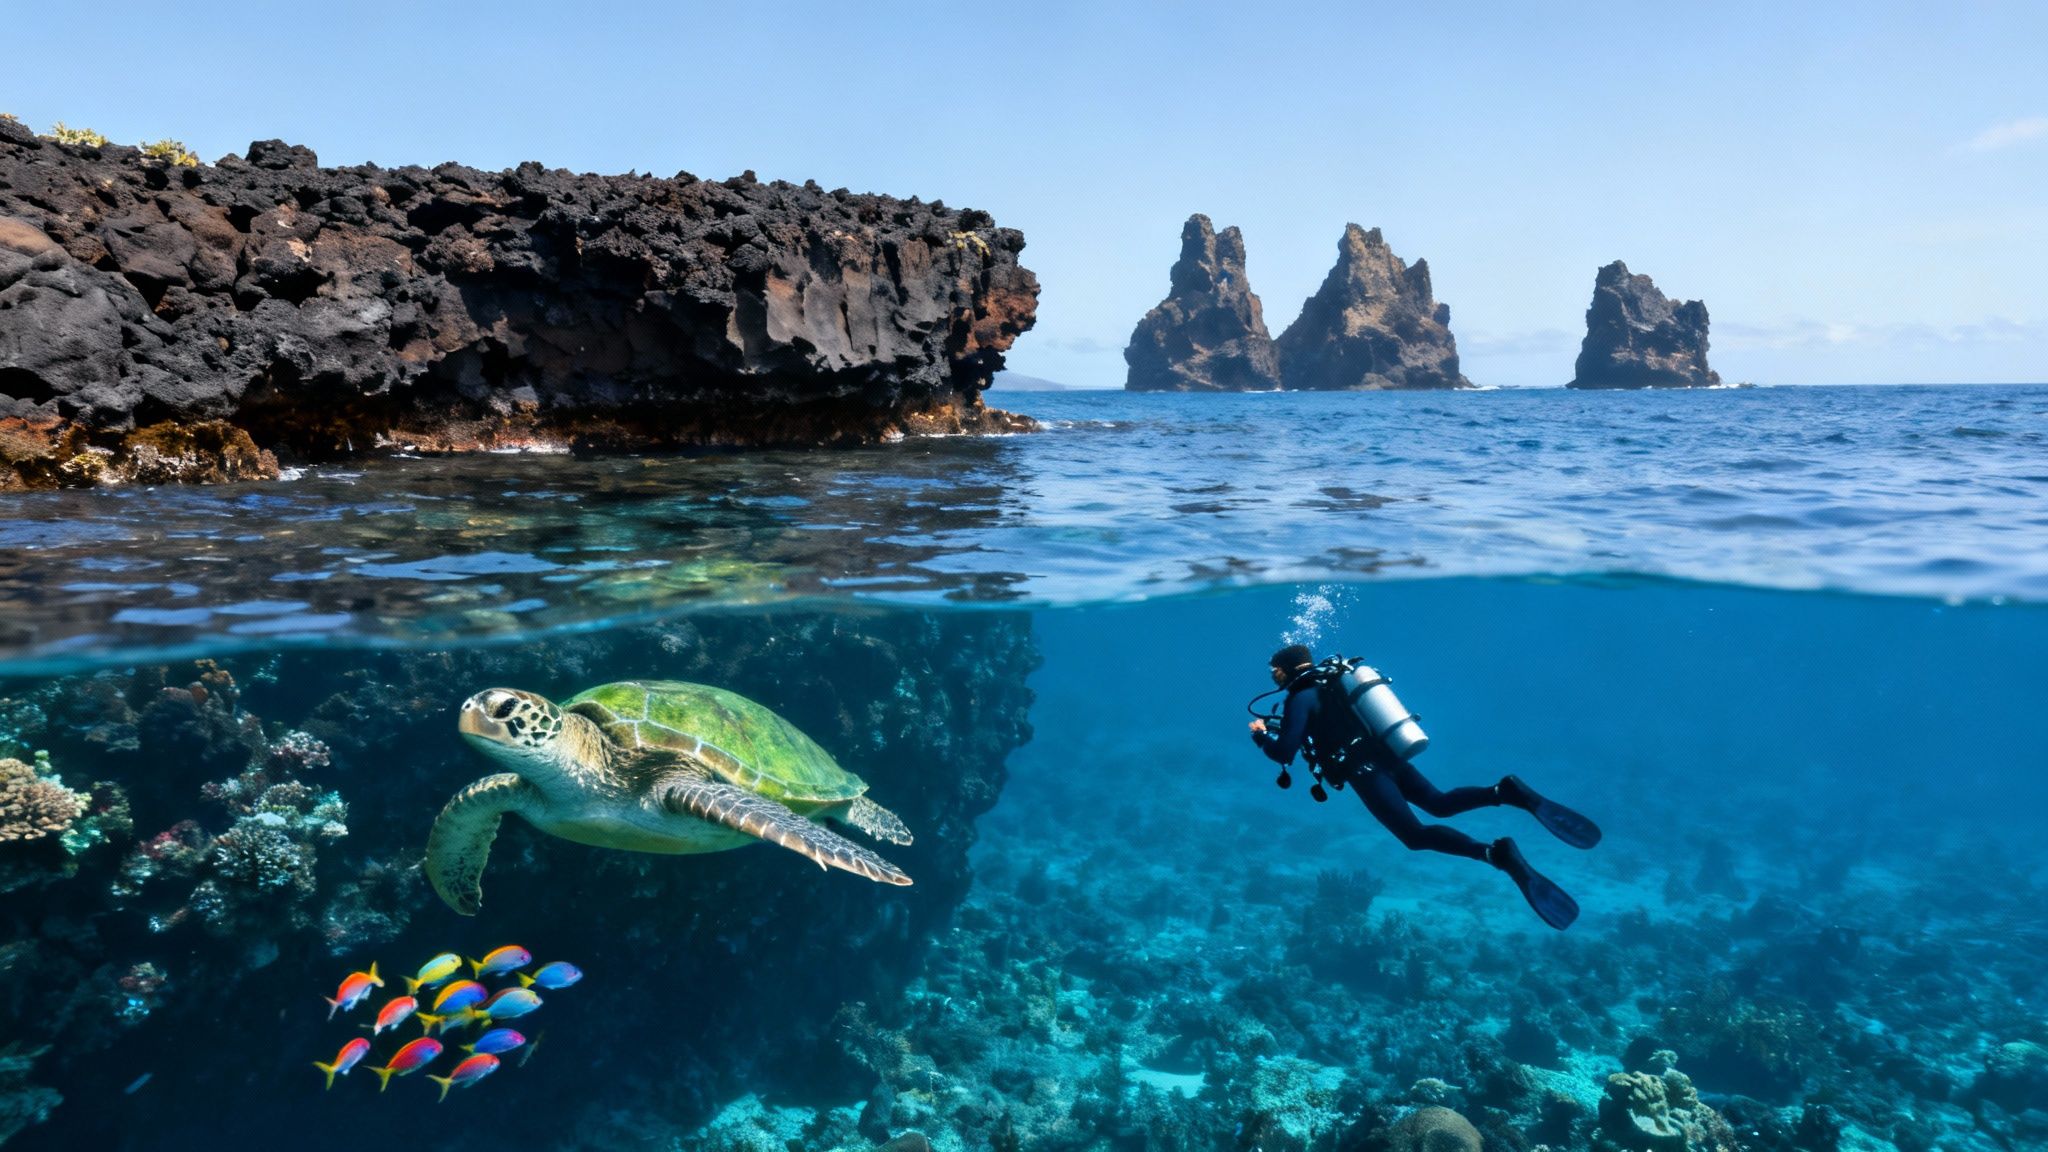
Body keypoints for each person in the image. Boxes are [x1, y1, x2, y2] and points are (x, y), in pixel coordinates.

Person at [1249, 644, 1600, 929]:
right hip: (1388, 756)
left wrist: (1262, 737)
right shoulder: (1333, 684)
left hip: (1365, 770)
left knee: (1414, 836)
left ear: (1288, 668)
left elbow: (1285, 751)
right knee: (1439, 802)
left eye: (1275, 670)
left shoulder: (1302, 697)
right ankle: (1504, 792)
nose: (1273, 676)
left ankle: (1497, 854)